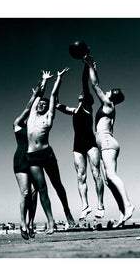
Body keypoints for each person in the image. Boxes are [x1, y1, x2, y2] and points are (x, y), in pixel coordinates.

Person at [84, 55, 135, 227]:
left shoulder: (107, 104)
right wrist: (94, 69)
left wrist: (91, 66)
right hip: (108, 142)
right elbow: (98, 85)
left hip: (106, 142)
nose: (105, 92)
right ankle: (122, 214)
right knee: (108, 180)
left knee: (111, 176)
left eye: (109, 92)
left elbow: (95, 85)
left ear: (111, 96)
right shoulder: (111, 108)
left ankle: (128, 205)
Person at [26, 67, 75, 235]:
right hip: (32, 156)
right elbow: (39, 94)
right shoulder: (32, 113)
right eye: (40, 103)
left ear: (48, 108)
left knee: (57, 185)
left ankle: (67, 212)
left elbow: (52, 96)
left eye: (44, 105)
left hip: (47, 154)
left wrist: (58, 79)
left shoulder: (49, 117)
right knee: (42, 189)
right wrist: (44, 80)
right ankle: (51, 222)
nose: (41, 105)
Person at [56, 63, 105, 220]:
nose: (81, 93)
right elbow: (56, 103)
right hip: (77, 146)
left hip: (91, 144)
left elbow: (85, 82)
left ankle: (100, 205)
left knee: (96, 173)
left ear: (87, 99)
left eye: (83, 93)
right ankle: (85, 206)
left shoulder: (86, 108)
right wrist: (59, 79)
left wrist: (86, 65)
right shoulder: (74, 111)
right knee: (80, 176)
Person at [13, 72, 50, 240]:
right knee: (26, 193)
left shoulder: (33, 126)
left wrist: (43, 83)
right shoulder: (18, 124)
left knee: (35, 194)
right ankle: (22, 223)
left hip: (33, 158)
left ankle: (31, 222)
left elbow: (36, 106)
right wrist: (35, 93)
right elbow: (29, 107)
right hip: (20, 159)